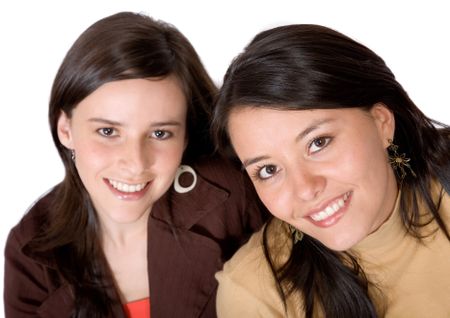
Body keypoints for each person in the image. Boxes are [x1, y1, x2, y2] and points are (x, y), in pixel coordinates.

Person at [4, 12, 267, 318]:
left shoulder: (233, 198)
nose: (135, 163)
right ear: (66, 130)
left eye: (160, 133)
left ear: (184, 137)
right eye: (108, 131)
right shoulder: (31, 249)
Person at [212, 24, 450, 317]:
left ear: (381, 122)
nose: (304, 189)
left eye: (318, 143)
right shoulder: (255, 297)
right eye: (269, 169)